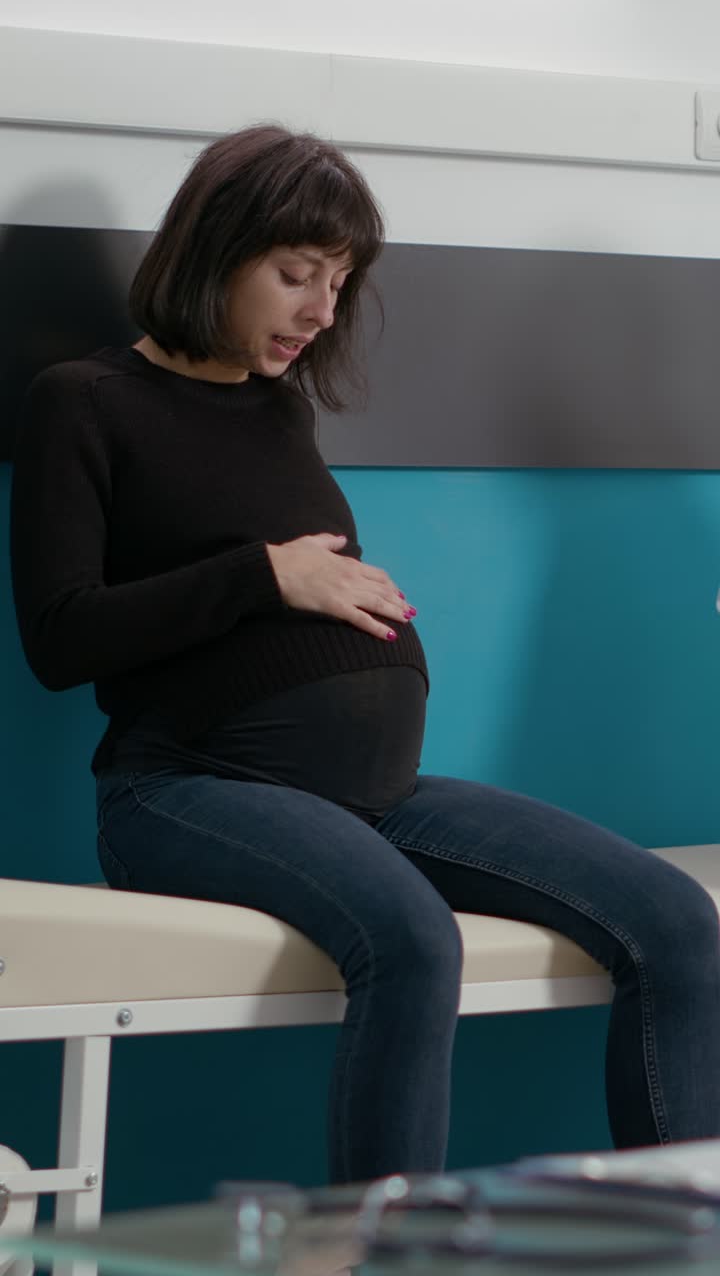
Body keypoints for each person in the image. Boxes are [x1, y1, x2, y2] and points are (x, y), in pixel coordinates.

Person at [10, 124, 720, 1187]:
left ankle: (683, 1237)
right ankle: (383, 1254)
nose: (321, 310)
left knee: (674, 918)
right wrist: (267, 575)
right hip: (187, 787)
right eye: (296, 275)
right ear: (214, 253)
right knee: (414, 940)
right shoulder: (84, 401)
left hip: (379, 794)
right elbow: (60, 636)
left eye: (338, 282)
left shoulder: (276, 409)